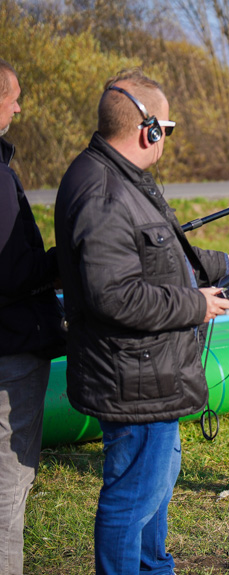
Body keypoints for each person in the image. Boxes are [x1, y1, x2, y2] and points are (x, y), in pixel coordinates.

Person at [53, 69, 229, 573]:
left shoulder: (122, 178)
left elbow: (156, 253)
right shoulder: (102, 191)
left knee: (158, 481)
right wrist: (198, 304)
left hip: (147, 373)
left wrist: (220, 262)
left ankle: (154, 567)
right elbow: (115, 295)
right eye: (167, 128)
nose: (166, 139)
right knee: (132, 497)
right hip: (134, 379)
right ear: (149, 129)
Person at [0, 58, 65, 575]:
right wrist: (68, 259)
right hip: (10, 351)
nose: (19, 106)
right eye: (13, 96)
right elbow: (14, 273)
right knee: (9, 485)